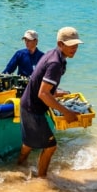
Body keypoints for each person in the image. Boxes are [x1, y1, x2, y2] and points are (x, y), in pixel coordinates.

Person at [17, 27, 83, 178]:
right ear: (60, 44)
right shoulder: (55, 63)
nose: (75, 48)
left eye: (76, 44)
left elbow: (40, 83)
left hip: (27, 104)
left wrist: (55, 93)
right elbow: (43, 93)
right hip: (33, 109)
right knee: (51, 147)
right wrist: (67, 112)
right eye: (71, 45)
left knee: (28, 144)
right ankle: (42, 181)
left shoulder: (52, 54)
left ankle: (19, 167)